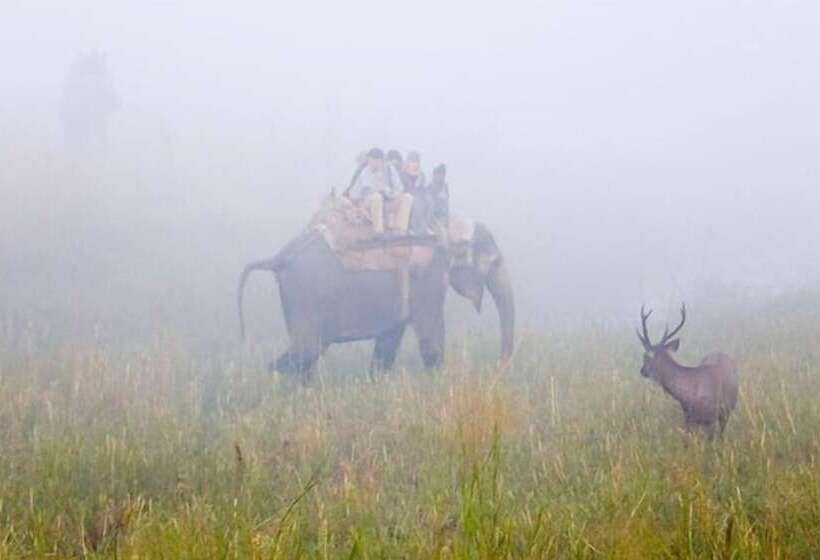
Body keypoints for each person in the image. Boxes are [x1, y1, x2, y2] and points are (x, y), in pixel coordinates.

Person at [348, 147, 413, 236]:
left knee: (407, 197)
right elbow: (362, 192)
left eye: (377, 160)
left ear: (382, 161)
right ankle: (379, 232)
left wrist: (391, 193)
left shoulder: (390, 170)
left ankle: (400, 230)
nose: (374, 163)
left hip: (388, 201)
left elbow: (399, 188)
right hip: (369, 205)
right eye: (372, 160)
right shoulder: (365, 172)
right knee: (376, 197)